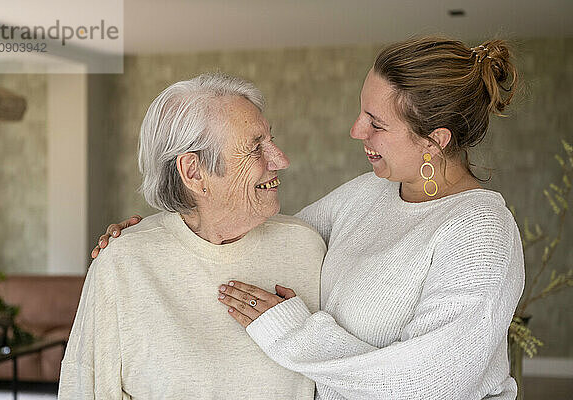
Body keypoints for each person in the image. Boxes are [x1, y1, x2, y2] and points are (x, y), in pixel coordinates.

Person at [95, 37, 525, 399]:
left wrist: (291, 333)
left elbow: (433, 380)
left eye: (376, 123)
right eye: (362, 112)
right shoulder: (370, 192)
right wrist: (156, 237)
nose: (357, 131)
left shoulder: (481, 231)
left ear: (435, 141)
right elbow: (258, 236)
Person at [59, 73, 326, 399]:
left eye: (270, 140)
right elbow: (84, 391)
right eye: (256, 147)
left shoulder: (306, 247)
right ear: (194, 171)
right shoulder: (123, 263)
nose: (281, 159)